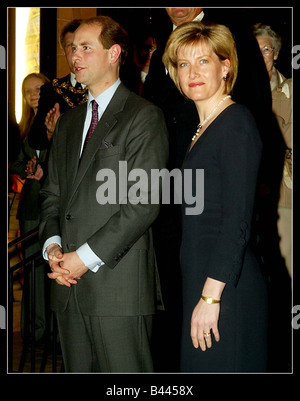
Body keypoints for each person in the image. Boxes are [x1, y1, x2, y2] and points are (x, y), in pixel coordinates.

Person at [142, 7, 285, 372]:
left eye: (203, 61)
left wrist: (210, 297)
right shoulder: (203, 128)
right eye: (183, 65)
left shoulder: (235, 122)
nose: (193, 73)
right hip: (203, 279)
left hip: (224, 288)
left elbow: (236, 221)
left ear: (225, 66)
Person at [39, 16, 168, 373]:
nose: (74, 56)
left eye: (85, 47)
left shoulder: (143, 116)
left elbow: (142, 204)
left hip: (117, 286)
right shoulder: (67, 121)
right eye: (72, 48)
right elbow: (52, 194)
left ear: (113, 53)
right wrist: (53, 246)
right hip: (66, 284)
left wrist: (81, 257)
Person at [10, 72, 50, 342]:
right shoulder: (23, 125)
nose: (33, 94)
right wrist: (25, 167)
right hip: (30, 208)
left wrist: (44, 170)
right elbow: (13, 161)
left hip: (54, 205)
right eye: (27, 91)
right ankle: (34, 332)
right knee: (33, 276)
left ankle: (52, 332)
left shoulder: (61, 120)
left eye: (38, 89)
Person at [253, 23, 292, 278]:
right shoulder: (233, 92)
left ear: (276, 53)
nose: (260, 56)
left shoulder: (289, 92)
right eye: (254, 50)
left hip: (283, 199)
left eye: (265, 50)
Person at [27, 19, 88, 151]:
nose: (77, 53)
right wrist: (50, 132)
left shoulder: (103, 86)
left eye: (83, 47)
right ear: (63, 51)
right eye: (71, 47)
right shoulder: (52, 90)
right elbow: (35, 140)